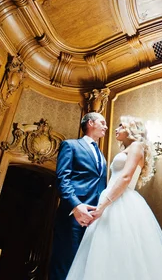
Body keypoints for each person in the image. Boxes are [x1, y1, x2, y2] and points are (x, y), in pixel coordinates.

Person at [65, 116, 162, 280]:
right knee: (106, 250)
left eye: (121, 125)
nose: (115, 129)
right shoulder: (128, 149)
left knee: (123, 248)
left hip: (120, 202)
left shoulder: (137, 146)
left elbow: (126, 177)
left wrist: (103, 206)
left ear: (132, 128)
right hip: (111, 200)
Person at [49, 112, 108, 280]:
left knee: (86, 267)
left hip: (94, 219)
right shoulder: (70, 145)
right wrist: (76, 205)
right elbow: (62, 179)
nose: (106, 126)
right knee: (66, 263)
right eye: (102, 122)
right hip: (72, 216)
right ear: (90, 123)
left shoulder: (101, 156)